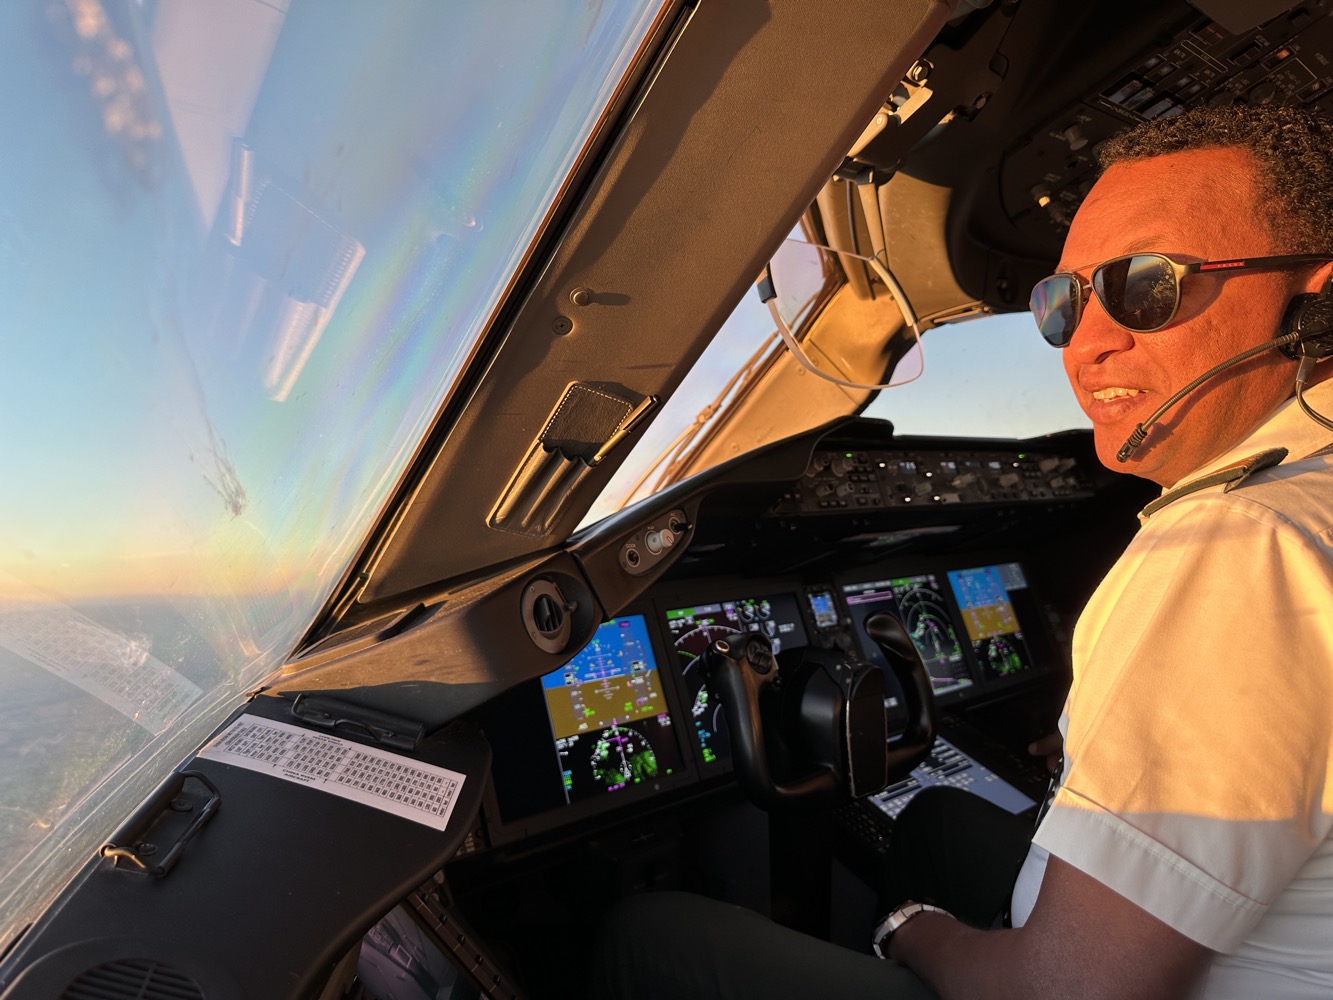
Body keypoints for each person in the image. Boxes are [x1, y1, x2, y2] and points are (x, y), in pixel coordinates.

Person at [592, 102, 1333, 998]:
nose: (1088, 343)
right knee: (936, 820)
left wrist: (914, 935)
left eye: (1146, 284)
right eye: (1065, 302)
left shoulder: (1240, 544)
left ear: (1314, 298)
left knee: (650, 932)